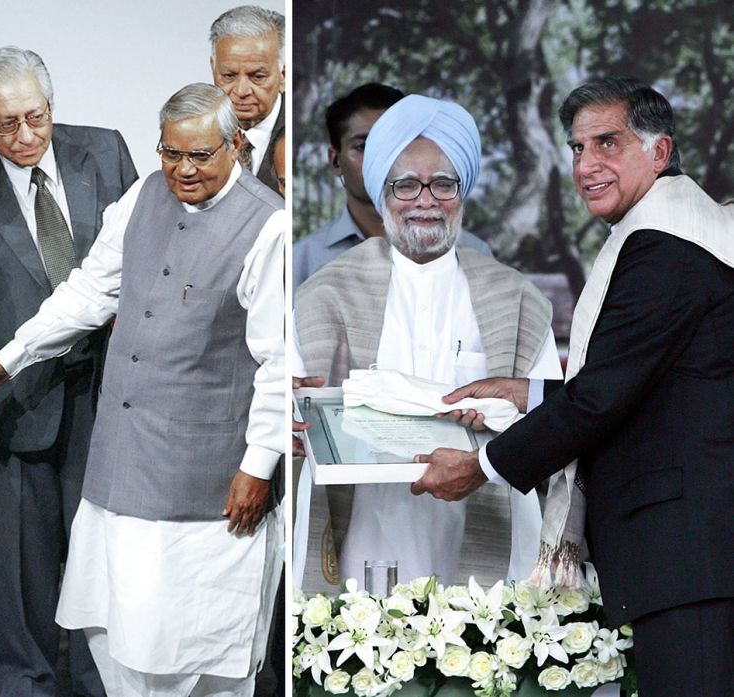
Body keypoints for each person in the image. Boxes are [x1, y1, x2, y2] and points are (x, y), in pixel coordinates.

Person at [414, 76, 734, 697]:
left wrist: (482, 467)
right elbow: (653, 387)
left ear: (659, 152)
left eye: (608, 143)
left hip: (692, 558)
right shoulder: (680, 231)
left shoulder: (665, 247)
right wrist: (527, 394)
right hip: (695, 560)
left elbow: (604, 397)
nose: (587, 164)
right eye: (577, 148)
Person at [0, 83, 284, 697]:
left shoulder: (267, 226)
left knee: (195, 641)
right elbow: (88, 293)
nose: (183, 170)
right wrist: (8, 360)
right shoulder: (142, 195)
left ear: (236, 145)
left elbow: (277, 362)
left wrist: (259, 465)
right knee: (115, 628)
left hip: (205, 479)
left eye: (200, 156)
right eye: (170, 153)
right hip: (120, 464)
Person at [0, 46, 137, 697]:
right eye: (6, 123)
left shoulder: (105, 153)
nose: (24, 135)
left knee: (110, 564)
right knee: (27, 576)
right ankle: (27, 684)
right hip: (17, 406)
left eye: (35, 117)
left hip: (108, 396)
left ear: (51, 106)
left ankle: (107, 683)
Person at [293, 94, 562, 590]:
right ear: (381, 192)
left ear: (463, 191)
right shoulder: (325, 294)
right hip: (366, 532)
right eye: (406, 185)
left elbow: (553, 421)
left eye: (443, 184)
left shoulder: (515, 297)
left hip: (486, 530)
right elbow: (297, 410)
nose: (425, 201)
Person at [293, 83, 492, 288]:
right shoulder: (302, 261)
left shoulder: (473, 253)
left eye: (394, 146)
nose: (379, 160)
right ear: (336, 161)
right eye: (362, 147)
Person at [210, 5, 285, 190]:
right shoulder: (195, 131)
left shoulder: (300, 137)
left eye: (257, 77)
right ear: (213, 69)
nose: (241, 91)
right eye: (228, 76)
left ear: (284, 75)